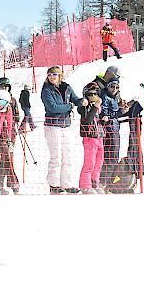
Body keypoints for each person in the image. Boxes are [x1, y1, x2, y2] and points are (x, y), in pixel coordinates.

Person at [41, 66, 87, 194]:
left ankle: (66, 184)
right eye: (49, 75)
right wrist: (69, 106)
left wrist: (81, 101)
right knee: (56, 156)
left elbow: (75, 99)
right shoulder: (46, 90)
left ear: (60, 75)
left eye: (54, 75)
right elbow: (53, 107)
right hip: (52, 125)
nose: (51, 77)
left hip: (65, 125)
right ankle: (54, 185)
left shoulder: (66, 87)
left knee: (67, 156)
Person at [78, 82, 105, 194]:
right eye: (90, 94)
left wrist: (103, 119)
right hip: (89, 137)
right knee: (90, 162)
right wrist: (95, 107)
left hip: (99, 136)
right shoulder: (84, 107)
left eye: (95, 94)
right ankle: (85, 185)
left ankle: (95, 182)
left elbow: (97, 121)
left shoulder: (98, 107)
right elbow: (87, 120)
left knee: (99, 161)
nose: (93, 96)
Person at [0, 77, 20, 195]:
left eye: (6, 86)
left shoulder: (13, 100)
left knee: (8, 157)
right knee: (6, 157)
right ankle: (12, 182)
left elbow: (17, 116)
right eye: (1, 86)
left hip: (10, 133)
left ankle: (2, 183)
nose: (4, 88)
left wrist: (13, 120)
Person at [99, 78, 125, 187]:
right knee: (110, 156)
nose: (114, 89)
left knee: (114, 156)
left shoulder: (113, 98)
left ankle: (108, 182)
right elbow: (105, 114)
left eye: (117, 87)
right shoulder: (105, 97)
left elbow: (113, 113)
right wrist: (120, 112)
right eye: (112, 86)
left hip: (114, 129)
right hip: (109, 130)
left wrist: (122, 110)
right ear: (107, 86)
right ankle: (103, 182)